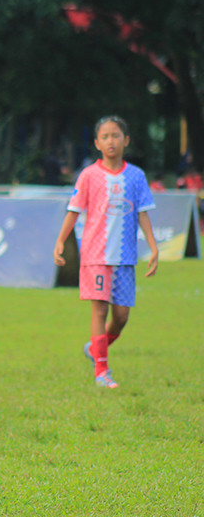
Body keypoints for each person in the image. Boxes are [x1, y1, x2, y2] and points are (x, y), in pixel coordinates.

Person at [53, 115, 158, 389]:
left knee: (121, 317)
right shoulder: (88, 175)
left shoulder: (136, 176)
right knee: (99, 310)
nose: (111, 140)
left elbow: (143, 213)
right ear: (97, 143)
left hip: (124, 257)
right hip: (95, 256)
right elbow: (74, 209)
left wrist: (154, 246)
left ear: (126, 140)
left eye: (116, 135)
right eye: (105, 136)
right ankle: (102, 372)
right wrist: (61, 240)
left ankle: (95, 349)